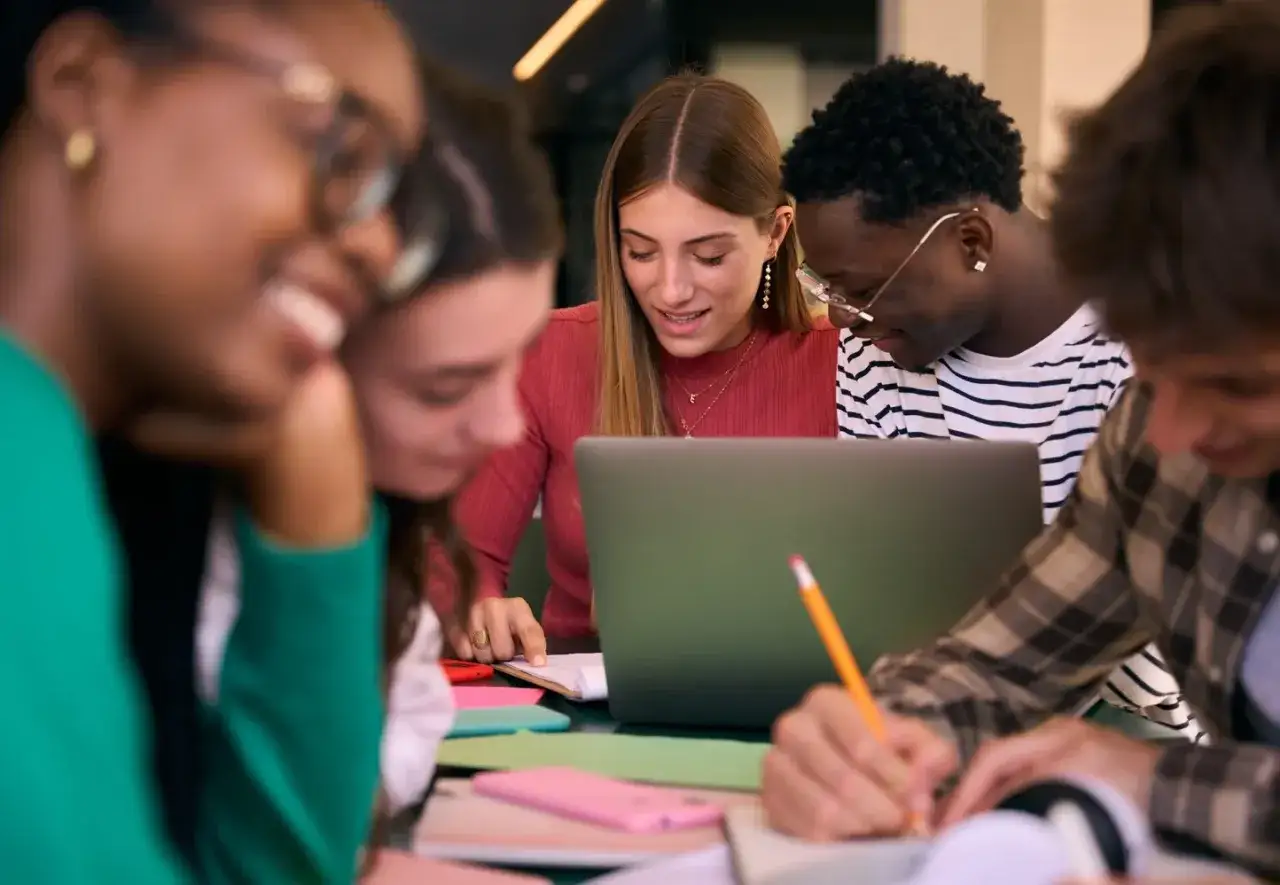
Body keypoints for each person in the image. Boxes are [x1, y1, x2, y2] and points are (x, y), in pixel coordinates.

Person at [761, 3, 1280, 876]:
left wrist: (1159, 777)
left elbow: (1157, 761)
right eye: (1152, 368)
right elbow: (996, 663)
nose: (1172, 430)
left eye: (1238, 384)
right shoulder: (1154, 451)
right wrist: (879, 734)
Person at [0, 0, 425, 881]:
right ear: (84, 86)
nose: (379, 245)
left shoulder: (64, 466)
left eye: (395, 201)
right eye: (337, 149)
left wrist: (314, 504)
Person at [780, 58, 1199, 740]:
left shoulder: (1149, 356)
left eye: (861, 289)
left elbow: (1159, 670)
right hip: (955, 714)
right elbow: (891, 599)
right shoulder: (877, 346)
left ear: (970, 239)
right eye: (826, 289)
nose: (842, 319)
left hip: (1136, 738)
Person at [195, 63, 563, 820]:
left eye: (517, 359)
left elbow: (408, 724)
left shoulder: (384, 520)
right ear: (306, 353)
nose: (502, 426)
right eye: (444, 387)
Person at [429, 74, 840, 663]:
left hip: (797, 699)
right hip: (589, 708)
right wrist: (474, 606)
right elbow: (454, 565)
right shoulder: (552, 352)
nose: (670, 289)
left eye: (708, 255)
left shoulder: (844, 362)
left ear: (775, 232)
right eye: (640, 251)